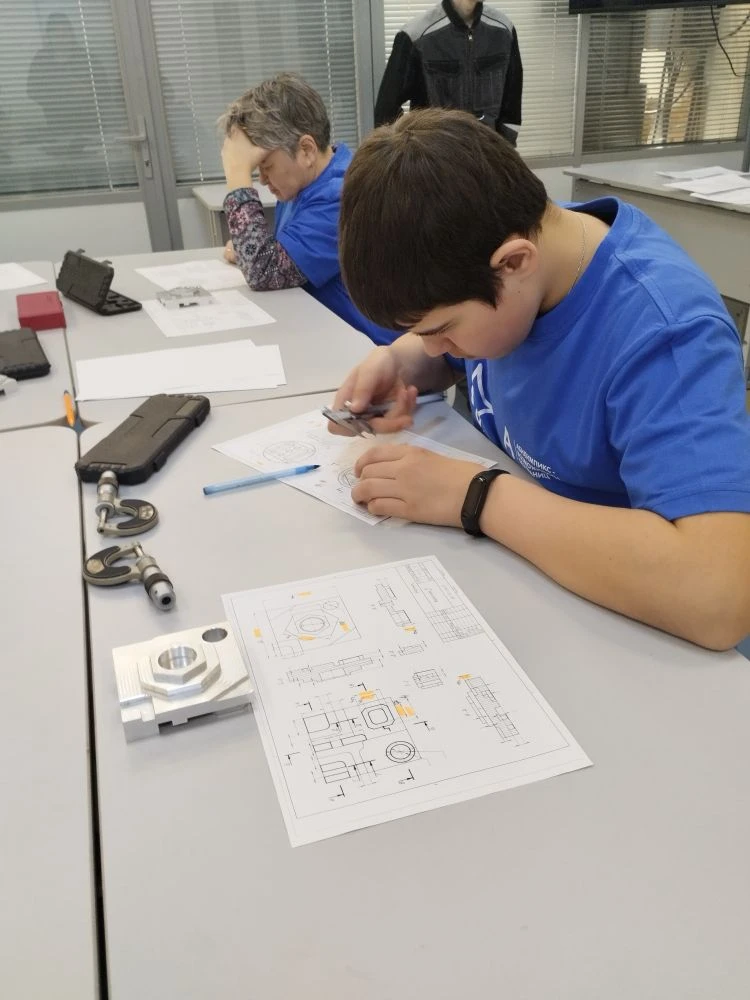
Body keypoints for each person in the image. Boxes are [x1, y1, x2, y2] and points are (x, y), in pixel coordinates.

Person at [330, 108, 750, 651]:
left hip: (635, 637)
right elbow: (473, 342)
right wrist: (403, 361)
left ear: (513, 263)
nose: (433, 345)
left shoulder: (666, 333)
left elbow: (716, 596)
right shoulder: (522, 244)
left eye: (441, 330)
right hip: (533, 584)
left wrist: (474, 496)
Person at [218, 73, 397, 346]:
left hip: (369, 349)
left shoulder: (342, 195)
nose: (262, 180)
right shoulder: (301, 185)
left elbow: (263, 272)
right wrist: (252, 249)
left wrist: (237, 174)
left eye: (266, 166)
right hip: (326, 333)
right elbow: (273, 259)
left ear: (306, 150)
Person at [374, 1, 522, 145]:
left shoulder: (504, 31)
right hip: (434, 155)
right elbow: (386, 111)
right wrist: (411, 147)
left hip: (488, 152)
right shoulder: (416, 36)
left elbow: (512, 103)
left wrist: (505, 148)